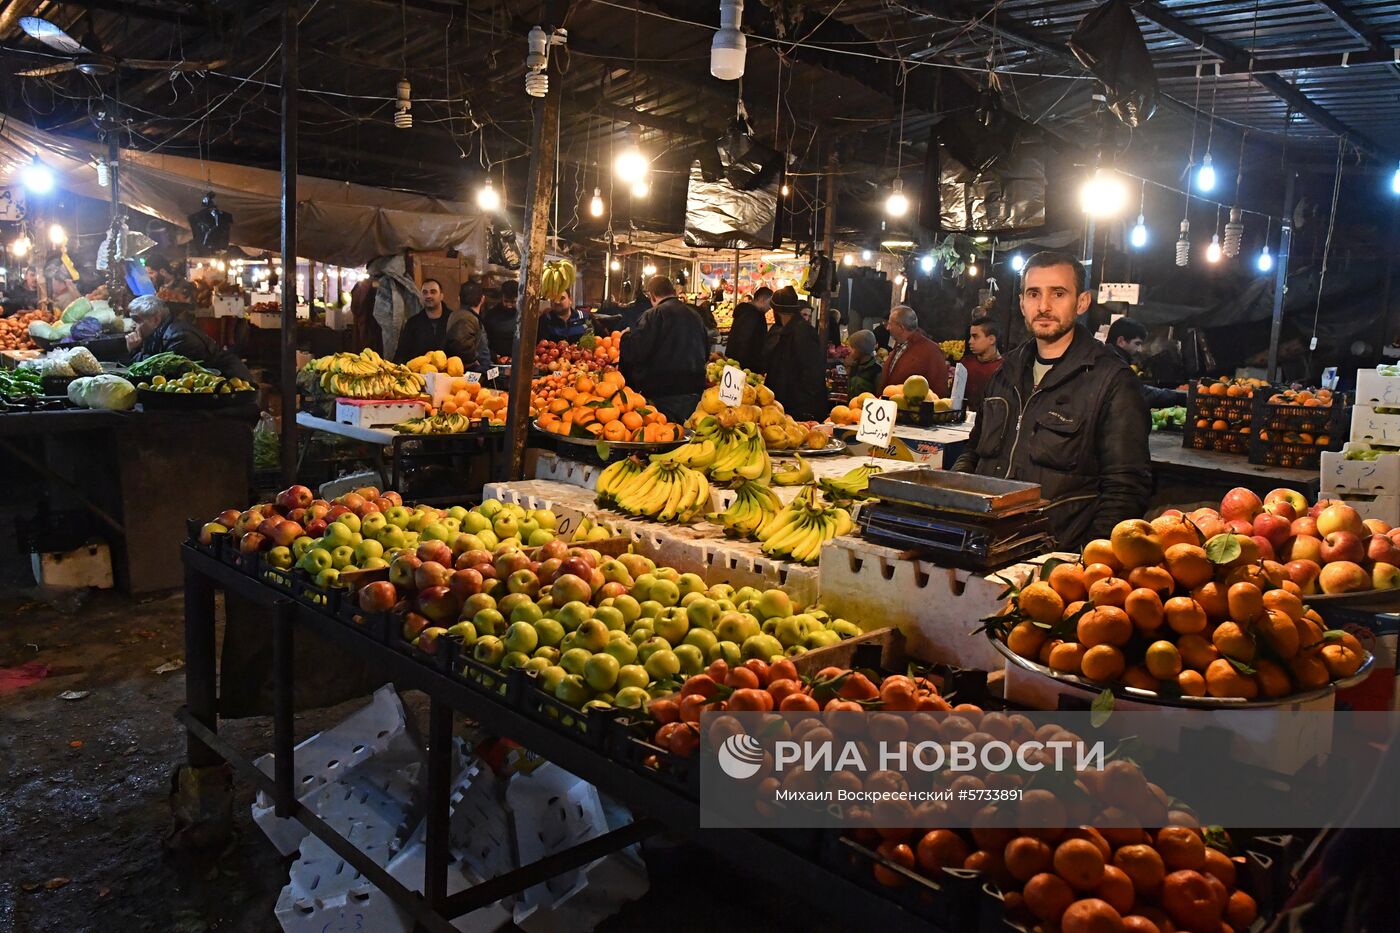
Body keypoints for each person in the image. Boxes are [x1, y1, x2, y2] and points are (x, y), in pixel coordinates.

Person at [951, 251, 1150, 549]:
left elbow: (1126, 488)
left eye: (1058, 293)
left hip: (1053, 561)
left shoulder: (1112, 380)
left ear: (1081, 302)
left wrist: (1084, 559)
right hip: (982, 547)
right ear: (1021, 303)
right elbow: (974, 450)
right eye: (1033, 294)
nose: (1043, 306)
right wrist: (953, 501)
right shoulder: (1005, 372)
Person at [619, 275, 708, 422]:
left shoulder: (653, 315)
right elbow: (705, 353)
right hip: (693, 396)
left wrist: (625, 337)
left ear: (652, 295)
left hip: (661, 397)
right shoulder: (696, 316)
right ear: (673, 291)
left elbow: (636, 352)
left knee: (663, 436)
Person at [125, 294, 252, 380]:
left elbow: (164, 376)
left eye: (137, 320)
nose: (132, 326)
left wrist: (135, 351)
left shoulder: (179, 338)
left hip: (231, 386)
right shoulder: (158, 333)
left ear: (156, 319)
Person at [762, 286, 829, 420]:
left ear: (778, 311)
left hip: (798, 409)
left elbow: (812, 373)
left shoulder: (801, 332)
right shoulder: (789, 330)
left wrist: (802, 408)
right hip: (788, 404)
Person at [1106, 317, 1188, 407]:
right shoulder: (1117, 367)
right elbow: (1139, 394)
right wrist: (1180, 397)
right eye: (1137, 343)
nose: (1139, 349)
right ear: (1121, 341)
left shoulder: (1105, 359)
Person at [879, 305, 949, 397]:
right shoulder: (899, 346)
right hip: (891, 406)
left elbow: (938, 388)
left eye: (890, 324)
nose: (887, 328)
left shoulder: (931, 350)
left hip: (912, 409)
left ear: (901, 328)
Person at [394, 279, 456, 364]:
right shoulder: (412, 323)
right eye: (425, 292)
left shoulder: (454, 320)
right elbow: (402, 354)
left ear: (441, 296)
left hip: (449, 374)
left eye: (433, 292)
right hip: (420, 374)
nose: (428, 296)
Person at [960, 316, 1004, 410]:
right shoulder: (966, 363)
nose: (970, 341)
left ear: (991, 339)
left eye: (975, 337)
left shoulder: (1004, 368)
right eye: (970, 336)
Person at [725, 286, 771, 373]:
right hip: (746, 368)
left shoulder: (744, 311)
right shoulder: (754, 316)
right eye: (769, 303)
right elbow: (745, 341)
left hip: (734, 364)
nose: (770, 307)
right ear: (762, 299)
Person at [454, 280, 493, 371]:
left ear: (459, 298)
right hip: (472, 373)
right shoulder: (465, 318)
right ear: (482, 299)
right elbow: (460, 344)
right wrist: (472, 361)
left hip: (478, 371)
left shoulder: (466, 316)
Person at [481, 279, 518, 363]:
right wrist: (494, 356)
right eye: (506, 301)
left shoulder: (524, 316)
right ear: (502, 297)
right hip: (495, 361)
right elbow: (484, 340)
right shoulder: (492, 315)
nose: (509, 305)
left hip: (518, 361)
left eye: (513, 302)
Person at [844, 330, 883, 399]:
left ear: (860, 350)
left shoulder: (876, 370)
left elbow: (879, 394)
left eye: (852, 348)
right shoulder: (855, 365)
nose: (849, 351)